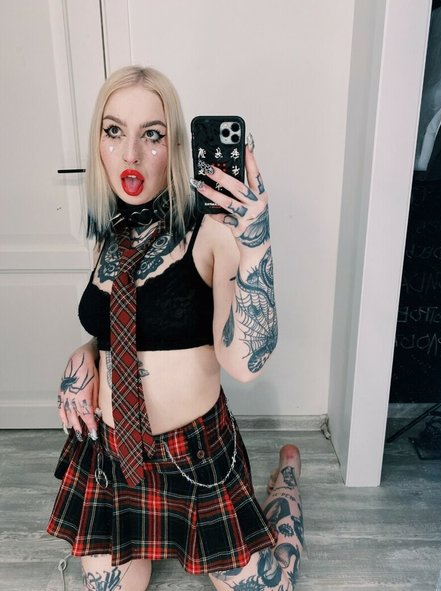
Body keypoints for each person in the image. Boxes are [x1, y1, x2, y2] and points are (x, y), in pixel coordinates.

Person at [47, 65, 303, 591]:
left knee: (273, 587)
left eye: (153, 135)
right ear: (98, 142)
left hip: (196, 460)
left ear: (177, 146)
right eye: (114, 131)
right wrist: (87, 351)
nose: (131, 154)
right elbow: (123, 324)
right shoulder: (109, 231)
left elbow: (244, 363)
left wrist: (256, 242)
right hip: (114, 458)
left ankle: (287, 483)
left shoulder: (211, 231)